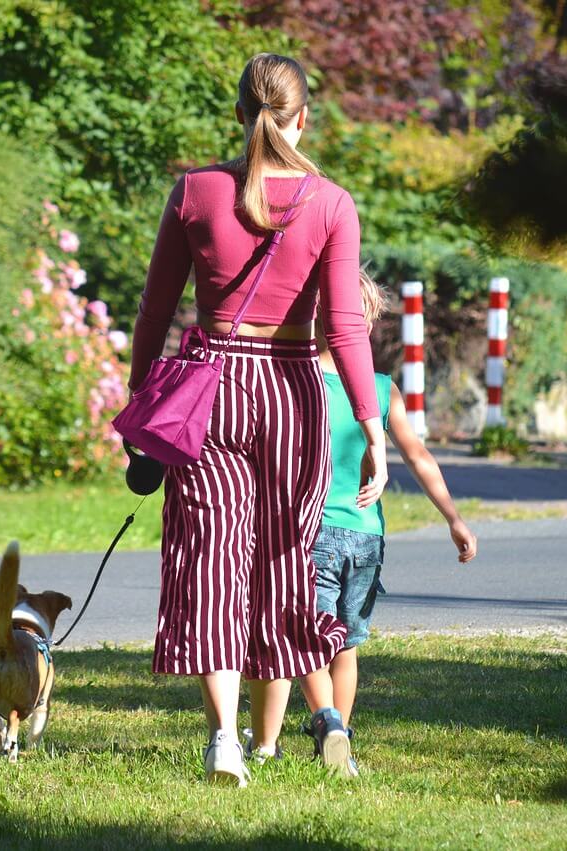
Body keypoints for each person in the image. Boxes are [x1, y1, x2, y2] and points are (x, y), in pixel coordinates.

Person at [128, 53, 386, 786]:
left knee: (210, 559)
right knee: (280, 561)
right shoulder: (331, 204)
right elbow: (345, 326)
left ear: (240, 113)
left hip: (211, 389)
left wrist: (141, 403)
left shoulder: (195, 191)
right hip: (293, 390)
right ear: (304, 118)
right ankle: (303, 718)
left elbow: (154, 311)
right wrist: (371, 427)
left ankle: (224, 740)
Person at [282, 270, 477, 776]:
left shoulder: (295, 379)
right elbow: (419, 457)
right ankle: (338, 750)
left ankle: (327, 723)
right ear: (365, 325)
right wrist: (453, 519)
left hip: (312, 531)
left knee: (307, 638)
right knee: (345, 644)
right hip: (367, 536)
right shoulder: (382, 389)